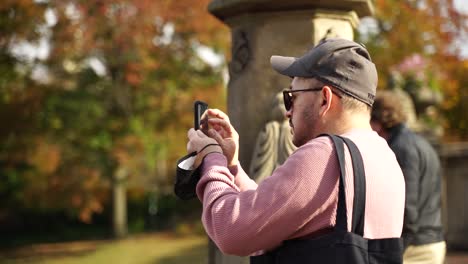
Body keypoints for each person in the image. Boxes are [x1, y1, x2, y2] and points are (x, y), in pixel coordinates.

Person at [186, 38, 405, 261]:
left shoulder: (323, 155)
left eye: (291, 97)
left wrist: (211, 157)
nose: (287, 112)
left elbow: (230, 232)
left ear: (324, 100)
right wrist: (232, 165)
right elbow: (269, 218)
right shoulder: (385, 156)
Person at [370, 91, 446, 264]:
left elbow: (406, 209)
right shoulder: (420, 143)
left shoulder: (401, 148)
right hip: (430, 242)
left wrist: (393, 252)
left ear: (378, 122)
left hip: (416, 248)